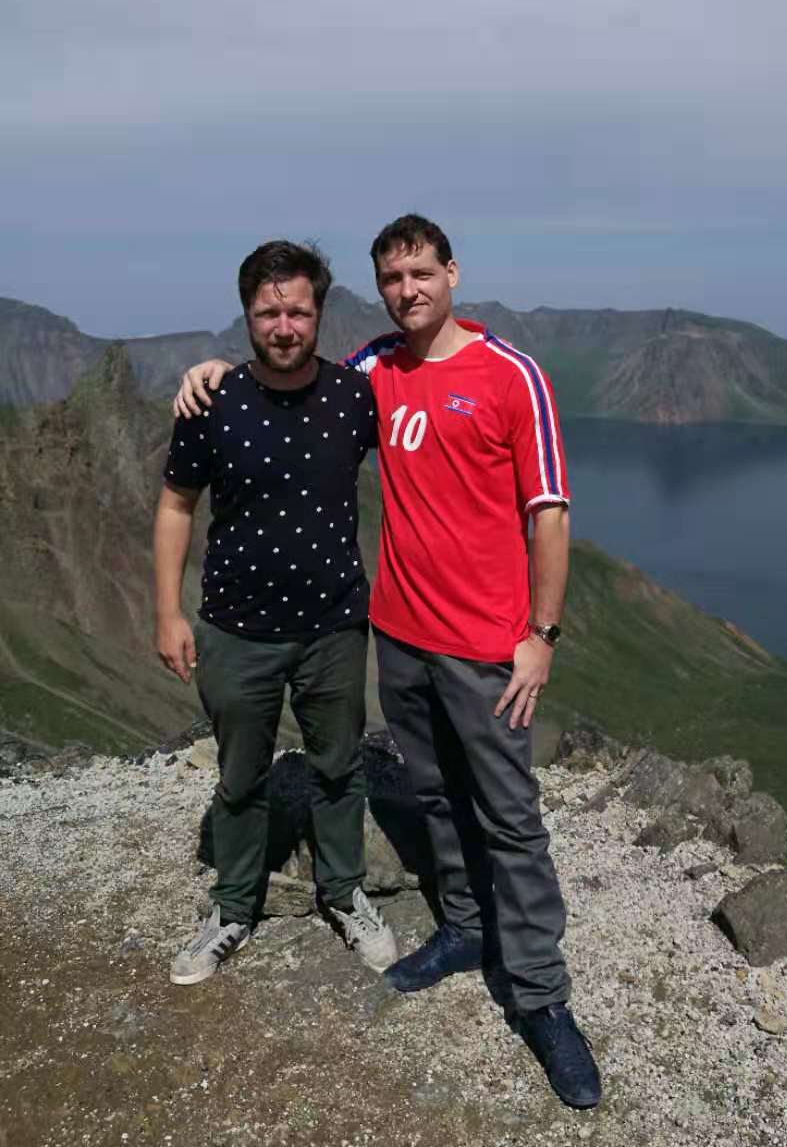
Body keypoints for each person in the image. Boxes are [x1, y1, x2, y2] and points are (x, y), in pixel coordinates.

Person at [175, 216, 601, 1109]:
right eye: (393, 278)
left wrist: (542, 635)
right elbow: (291, 374)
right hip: (400, 636)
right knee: (436, 794)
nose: (408, 290)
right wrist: (210, 371)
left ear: (452, 273)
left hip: (487, 645)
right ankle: (465, 928)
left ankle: (541, 997)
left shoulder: (511, 374)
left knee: (511, 817)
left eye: (421, 273)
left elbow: (549, 513)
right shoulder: (376, 371)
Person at [155, 239, 396, 986]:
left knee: (339, 768)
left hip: (334, 627)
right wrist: (168, 613)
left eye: (297, 312)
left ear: (318, 313)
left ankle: (344, 893)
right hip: (235, 630)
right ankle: (232, 908)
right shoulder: (212, 402)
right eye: (268, 313)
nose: (284, 327)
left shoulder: (353, 398)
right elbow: (175, 506)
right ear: (247, 316)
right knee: (240, 777)